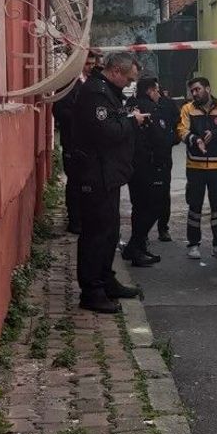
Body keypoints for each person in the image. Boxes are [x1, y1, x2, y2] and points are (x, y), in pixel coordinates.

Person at [71, 52, 147, 313]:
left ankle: (105, 280)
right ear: (115, 71)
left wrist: (126, 115)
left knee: (110, 231)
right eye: (128, 78)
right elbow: (108, 131)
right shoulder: (95, 93)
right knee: (96, 234)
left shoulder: (108, 92)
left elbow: (115, 119)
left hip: (109, 174)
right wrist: (131, 121)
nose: (129, 84)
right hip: (95, 174)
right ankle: (92, 291)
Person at [177, 77, 217, 260]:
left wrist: (216, 134)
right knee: (194, 206)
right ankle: (193, 244)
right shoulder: (187, 109)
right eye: (192, 91)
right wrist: (195, 139)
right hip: (195, 166)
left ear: (208, 89)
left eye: (197, 89)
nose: (194, 93)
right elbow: (181, 130)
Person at [121, 76, 171, 266]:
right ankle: (134, 246)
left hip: (133, 164)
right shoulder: (150, 109)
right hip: (149, 165)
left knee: (139, 207)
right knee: (153, 206)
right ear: (150, 90)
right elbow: (160, 138)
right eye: (156, 90)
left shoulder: (130, 106)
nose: (158, 94)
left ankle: (139, 248)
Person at [52, 51, 100, 234]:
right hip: (73, 143)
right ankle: (75, 221)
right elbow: (59, 111)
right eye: (87, 64)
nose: (90, 67)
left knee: (88, 182)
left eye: (93, 64)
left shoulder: (93, 83)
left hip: (90, 144)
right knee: (75, 183)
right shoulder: (69, 84)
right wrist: (81, 117)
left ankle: (87, 217)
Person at [155, 88, 181, 241]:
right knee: (142, 197)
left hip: (163, 155)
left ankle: (163, 228)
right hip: (142, 158)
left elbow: (178, 122)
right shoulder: (136, 104)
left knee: (164, 193)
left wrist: (173, 140)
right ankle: (141, 233)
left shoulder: (167, 104)